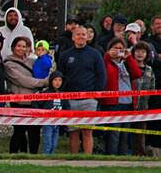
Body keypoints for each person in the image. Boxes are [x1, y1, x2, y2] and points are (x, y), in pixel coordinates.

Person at [59, 25, 106, 155]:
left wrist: (95, 95)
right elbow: (60, 76)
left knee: (87, 132)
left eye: (83, 34)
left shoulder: (95, 54)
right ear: (73, 37)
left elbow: (101, 75)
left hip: (89, 100)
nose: (81, 37)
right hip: (71, 100)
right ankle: (74, 161)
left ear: (87, 37)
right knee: (73, 132)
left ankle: (87, 160)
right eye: (78, 34)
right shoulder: (65, 55)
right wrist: (63, 96)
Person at [4, 36, 49, 154]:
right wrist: (44, 82)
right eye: (19, 46)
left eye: (24, 46)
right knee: (19, 131)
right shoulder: (9, 64)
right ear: (13, 47)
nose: (21, 48)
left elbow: (44, 67)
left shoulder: (32, 61)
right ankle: (13, 156)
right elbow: (23, 80)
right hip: (19, 102)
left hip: (34, 102)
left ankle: (33, 156)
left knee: (34, 131)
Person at [100, 38, 141, 155]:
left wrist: (129, 57)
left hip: (127, 103)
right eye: (115, 48)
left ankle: (122, 158)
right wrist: (107, 56)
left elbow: (137, 74)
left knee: (124, 134)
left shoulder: (126, 63)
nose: (118, 51)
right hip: (112, 103)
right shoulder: (106, 61)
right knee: (113, 134)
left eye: (120, 48)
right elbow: (102, 71)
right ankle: (111, 158)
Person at [33, 71, 70, 155]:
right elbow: (36, 103)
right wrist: (39, 115)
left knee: (54, 144)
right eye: (55, 80)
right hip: (47, 123)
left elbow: (67, 107)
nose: (57, 82)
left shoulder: (63, 95)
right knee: (47, 144)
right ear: (51, 81)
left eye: (60, 80)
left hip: (58, 123)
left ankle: (51, 161)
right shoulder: (46, 93)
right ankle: (45, 161)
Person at [130, 41, 156, 156]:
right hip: (129, 106)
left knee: (140, 134)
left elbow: (152, 88)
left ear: (147, 54)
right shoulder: (128, 66)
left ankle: (139, 156)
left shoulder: (150, 70)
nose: (140, 54)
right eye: (138, 51)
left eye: (143, 52)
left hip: (143, 108)